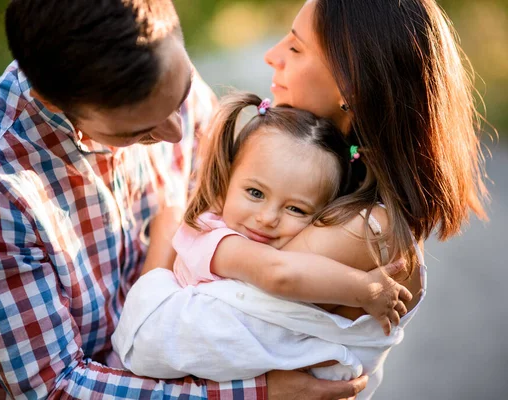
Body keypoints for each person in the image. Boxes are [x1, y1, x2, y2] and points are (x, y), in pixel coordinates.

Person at [0, 0, 369, 399]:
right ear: (53, 101)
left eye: (181, 95)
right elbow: (56, 386)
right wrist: (255, 393)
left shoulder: (154, 70)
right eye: (138, 133)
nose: (177, 132)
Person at [111, 0, 490, 398]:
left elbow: (153, 336)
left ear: (352, 83)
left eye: (294, 48)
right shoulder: (339, 191)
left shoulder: (366, 230)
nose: (271, 56)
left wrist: (167, 235)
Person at [112, 91, 415, 382]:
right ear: (227, 180)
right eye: (255, 193)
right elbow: (277, 273)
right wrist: (364, 290)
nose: (267, 218)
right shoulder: (209, 236)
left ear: (322, 216)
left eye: (296, 209)